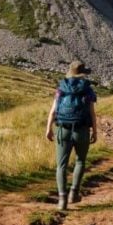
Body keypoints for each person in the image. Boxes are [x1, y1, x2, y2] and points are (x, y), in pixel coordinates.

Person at [45, 61, 98, 211]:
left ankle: (62, 200)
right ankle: (74, 193)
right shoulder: (87, 89)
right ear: (83, 74)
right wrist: (95, 131)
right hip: (81, 130)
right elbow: (92, 113)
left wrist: (48, 128)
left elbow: (53, 111)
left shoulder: (61, 88)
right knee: (80, 161)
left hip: (63, 129)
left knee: (61, 165)